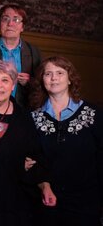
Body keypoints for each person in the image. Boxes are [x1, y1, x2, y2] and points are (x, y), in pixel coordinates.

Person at [0, 59, 56, 226]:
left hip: (10, 203)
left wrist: (45, 186)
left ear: (13, 85)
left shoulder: (25, 118)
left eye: (5, 80)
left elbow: (37, 158)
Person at [29, 56, 103, 226]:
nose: (54, 78)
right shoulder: (32, 118)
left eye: (60, 73)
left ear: (70, 79)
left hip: (86, 205)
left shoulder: (94, 114)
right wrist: (44, 186)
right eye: (48, 74)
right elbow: (33, 162)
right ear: (42, 80)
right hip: (47, 203)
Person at [0, 4, 41, 109]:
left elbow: (41, 84)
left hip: (22, 109)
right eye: (5, 19)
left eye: (16, 20)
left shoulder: (33, 52)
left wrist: (29, 82)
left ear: (22, 27)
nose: (10, 24)